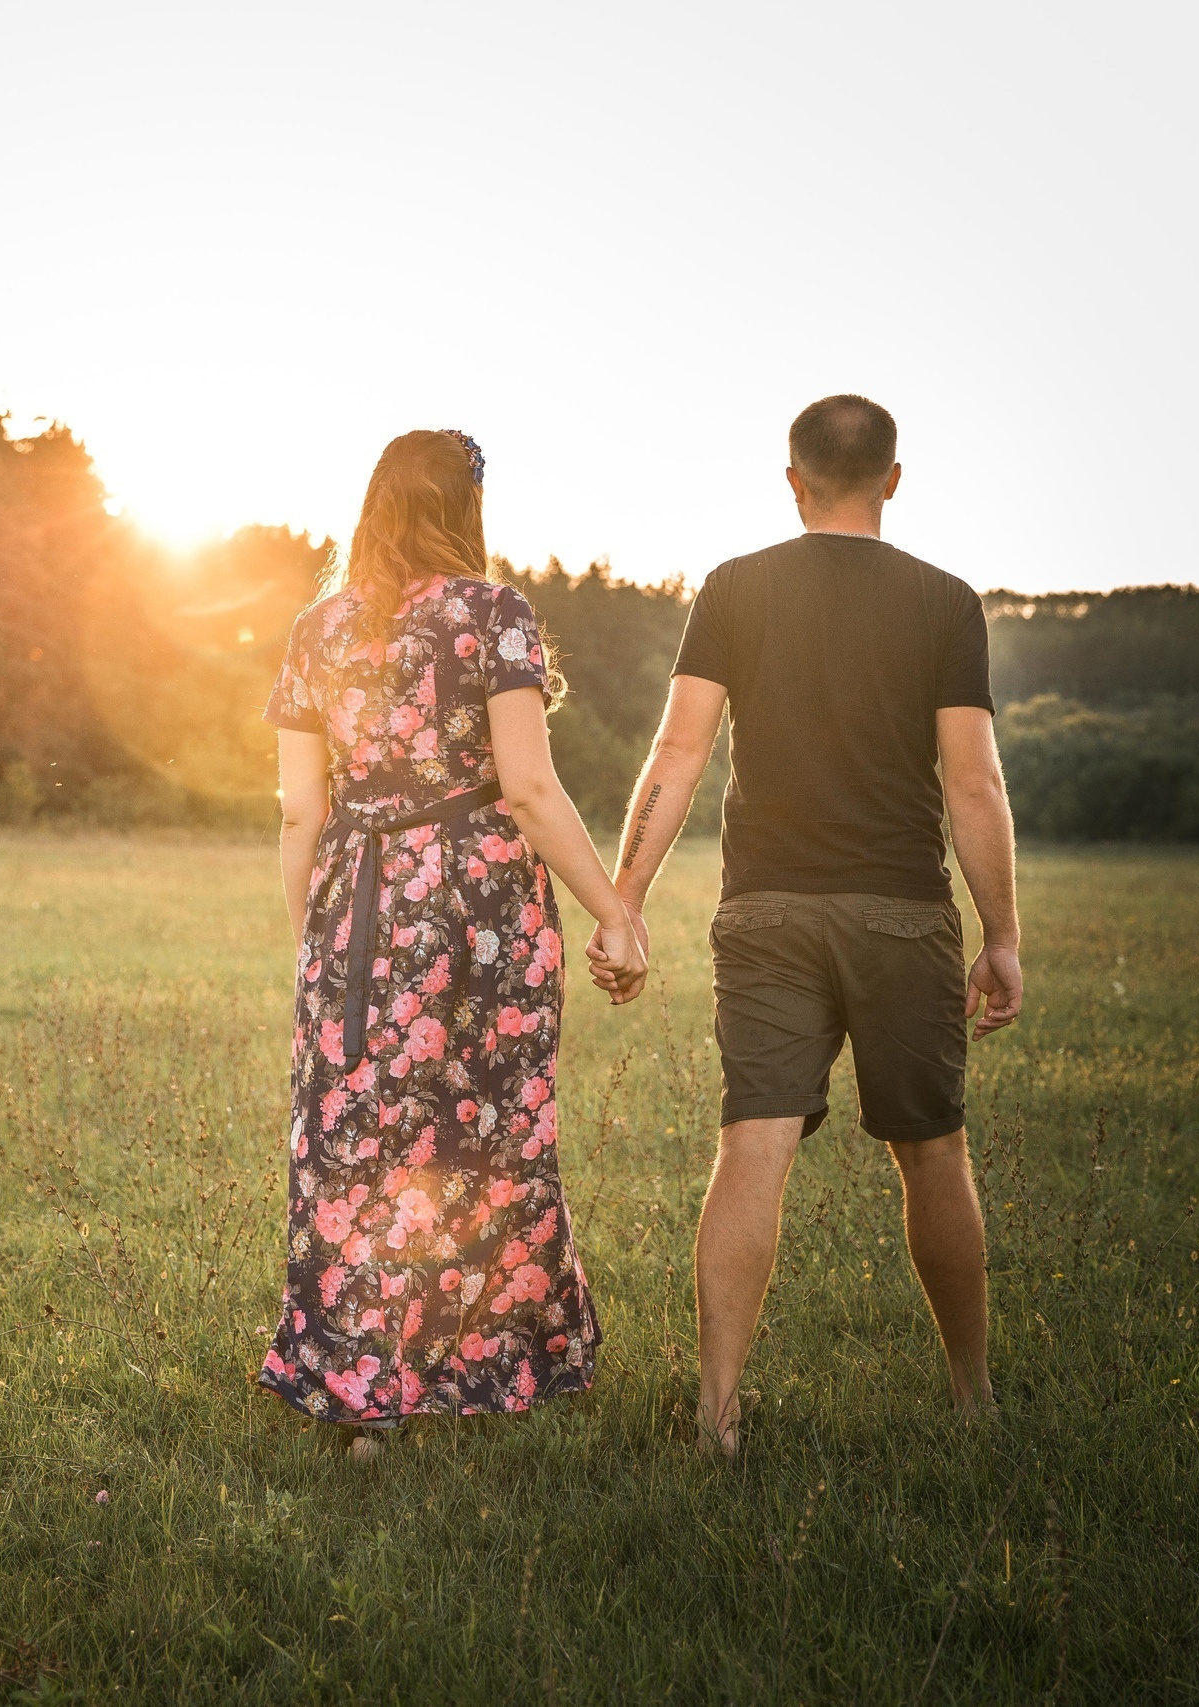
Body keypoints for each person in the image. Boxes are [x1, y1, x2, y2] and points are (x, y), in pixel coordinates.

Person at [594, 395, 1024, 1456]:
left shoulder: (737, 588)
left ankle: (718, 1415)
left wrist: (625, 900)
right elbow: (972, 782)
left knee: (753, 1148)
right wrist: (1001, 933)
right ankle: (973, 1403)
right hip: (901, 915)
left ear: (792, 482)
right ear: (892, 478)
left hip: (767, 912)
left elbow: (677, 754)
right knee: (933, 1156)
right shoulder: (945, 603)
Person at [260, 428, 648, 1459]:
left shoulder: (317, 627)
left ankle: (357, 1391)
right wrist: (613, 909)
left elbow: (300, 809)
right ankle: (482, 1366)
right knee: (484, 1126)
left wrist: (318, 932)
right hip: (478, 899)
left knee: (356, 1132)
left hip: (359, 895)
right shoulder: (493, 614)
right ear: (464, 507)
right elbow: (525, 786)